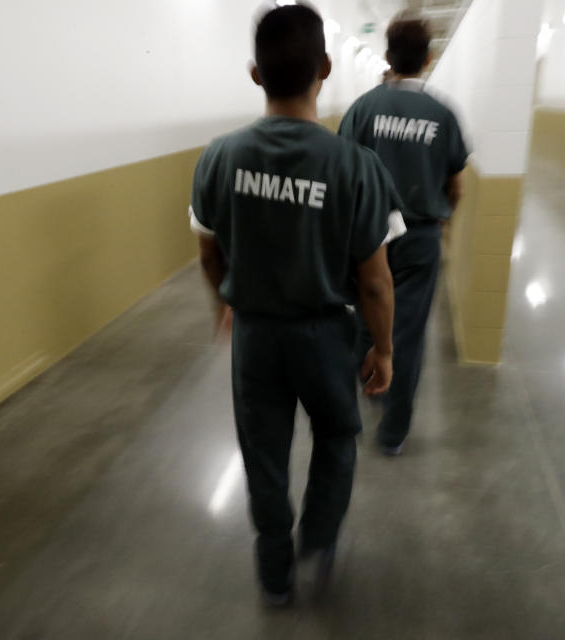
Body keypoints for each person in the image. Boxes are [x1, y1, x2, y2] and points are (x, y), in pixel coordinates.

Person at [189, 4, 406, 605]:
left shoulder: (218, 158)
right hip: (324, 336)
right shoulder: (356, 168)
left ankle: (275, 573)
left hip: (255, 337)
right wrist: (383, 349)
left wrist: (223, 307)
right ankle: (318, 536)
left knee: (262, 453)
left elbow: (209, 257)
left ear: (256, 74)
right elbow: (374, 282)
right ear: (327, 68)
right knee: (338, 436)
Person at [339, 13, 469, 456]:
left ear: (389, 56)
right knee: (407, 334)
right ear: (429, 58)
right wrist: (442, 220)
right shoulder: (443, 113)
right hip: (419, 240)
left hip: (367, 237)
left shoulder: (363, 109)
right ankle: (393, 432)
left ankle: (362, 401)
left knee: (362, 321)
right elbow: (456, 185)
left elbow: (343, 175)